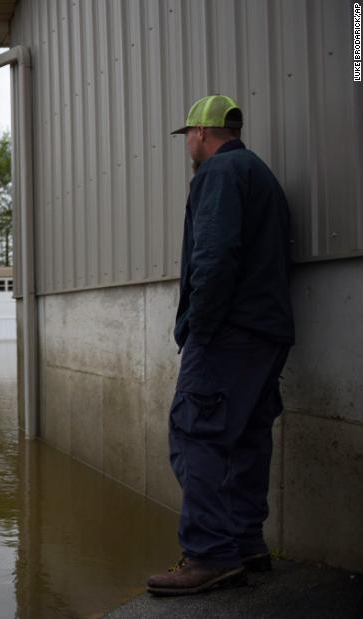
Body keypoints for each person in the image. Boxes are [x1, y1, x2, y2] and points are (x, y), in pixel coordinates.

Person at [146, 95, 295, 596]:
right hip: (268, 332)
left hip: (228, 333)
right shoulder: (261, 175)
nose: (187, 145)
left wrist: (198, 331)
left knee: (197, 436)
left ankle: (210, 555)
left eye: (187, 135)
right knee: (247, 438)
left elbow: (213, 256)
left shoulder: (217, 175)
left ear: (201, 134)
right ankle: (246, 544)